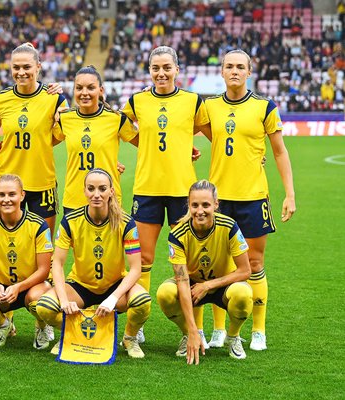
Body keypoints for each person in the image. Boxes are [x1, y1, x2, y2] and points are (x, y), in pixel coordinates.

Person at [201, 49, 296, 351]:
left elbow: (279, 151)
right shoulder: (210, 106)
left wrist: (290, 194)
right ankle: (218, 329)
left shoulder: (264, 106)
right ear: (222, 71)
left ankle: (258, 329)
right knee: (218, 266)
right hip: (218, 200)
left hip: (254, 197)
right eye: (229, 66)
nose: (234, 71)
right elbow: (193, 132)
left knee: (254, 263)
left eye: (240, 67)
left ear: (249, 71)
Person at [121, 46, 211, 313]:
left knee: (188, 263)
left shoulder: (193, 101)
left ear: (177, 70)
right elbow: (116, 127)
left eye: (166, 68)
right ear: (149, 71)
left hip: (183, 191)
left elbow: (215, 135)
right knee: (143, 258)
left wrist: (255, 157)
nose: (161, 73)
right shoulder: (137, 101)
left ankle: (191, 329)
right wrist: (144, 143)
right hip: (147, 188)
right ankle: (139, 320)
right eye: (155, 68)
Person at [37, 168, 151, 359]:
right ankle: (71, 334)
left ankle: (130, 338)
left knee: (142, 302)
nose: (96, 194)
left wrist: (113, 299)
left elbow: (136, 269)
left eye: (102, 189)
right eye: (91, 188)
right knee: (45, 307)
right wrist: (64, 301)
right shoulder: (71, 221)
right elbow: (57, 263)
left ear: (111, 191)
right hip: (80, 287)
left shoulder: (125, 222)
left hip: (114, 286)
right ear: (84, 191)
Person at [156, 180, 253, 362]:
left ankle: (233, 336)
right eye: (195, 205)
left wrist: (208, 285)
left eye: (206, 205)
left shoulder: (229, 226)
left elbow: (245, 271)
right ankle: (187, 335)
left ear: (216, 205)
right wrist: (193, 330)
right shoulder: (177, 235)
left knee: (243, 293)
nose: (200, 211)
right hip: (192, 287)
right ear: (188, 205)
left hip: (224, 285)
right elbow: (182, 280)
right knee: (165, 293)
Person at [0, 42, 68, 237]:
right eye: (16, 67)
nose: (21, 72)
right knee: (4, 241)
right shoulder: (0, 99)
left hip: (42, 181)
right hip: (7, 181)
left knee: (43, 244)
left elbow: (56, 138)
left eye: (26, 67)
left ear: (38, 67)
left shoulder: (54, 99)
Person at [0, 174, 53, 349]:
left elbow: (44, 270)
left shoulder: (38, 225)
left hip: (32, 285)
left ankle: (42, 326)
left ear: (22, 195)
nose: (6, 199)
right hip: (2, 286)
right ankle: (3, 325)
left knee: (38, 299)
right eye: (1, 195)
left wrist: (18, 287)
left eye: (12, 194)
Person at [53, 65, 138, 215]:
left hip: (108, 200)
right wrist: (10, 144)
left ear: (101, 91)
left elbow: (146, 144)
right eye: (79, 88)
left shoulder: (116, 119)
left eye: (91, 88)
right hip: (75, 199)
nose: (84, 93)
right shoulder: (64, 119)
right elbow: (42, 142)